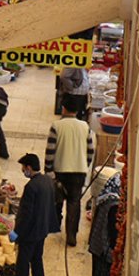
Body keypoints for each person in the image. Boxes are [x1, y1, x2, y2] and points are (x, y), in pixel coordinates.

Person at [8, 154, 57, 276]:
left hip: (29, 233)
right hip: (42, 230)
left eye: (23, 167)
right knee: (37, 260)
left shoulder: (31, 187)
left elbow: (25, 214)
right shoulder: (48, 181)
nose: (23, 170)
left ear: (28, 167)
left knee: (22, 263)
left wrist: (17, 232)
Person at [45, 104, 95, 246]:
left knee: (57, 200)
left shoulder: (57, 125)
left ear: (64, 108)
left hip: (60, 171)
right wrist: (84, 164)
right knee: (74, 202)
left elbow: (50, 150)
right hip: (78, 172)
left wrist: (48, 170)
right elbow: (90, 150)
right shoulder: (85, 126)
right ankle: (71, 236)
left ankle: (54, 226)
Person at [88, 174, 121, 276]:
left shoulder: (104, 198)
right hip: (104, 253)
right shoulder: (114, 206)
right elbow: (113, 237)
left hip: (96, 247)